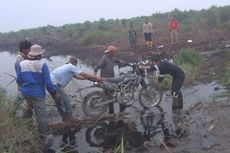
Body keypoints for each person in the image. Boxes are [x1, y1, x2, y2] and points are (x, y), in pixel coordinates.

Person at [16, 44, 58, 138]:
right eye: (41, 54)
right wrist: (54, 92)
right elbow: (48, 82)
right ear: (38, 55)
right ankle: (43, 136)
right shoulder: (42, 64)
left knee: (29, 107)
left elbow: (19, 79)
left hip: (25, 93)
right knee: (41, 116)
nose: (42, 56)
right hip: (38, 94)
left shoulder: (22, 64)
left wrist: (21, 88)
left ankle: (26, 124)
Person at [50, 56, 101, 121]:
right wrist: (96, 77)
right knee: (66, 100)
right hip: (55, 84)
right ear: (74, 62)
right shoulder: (71, 66)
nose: (76, 65)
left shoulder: (67, 67)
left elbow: (78, 77)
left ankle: (64, 117)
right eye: (76, 64)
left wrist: (90, 78)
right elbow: (84, 74)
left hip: (50, 84)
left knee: (59, 101)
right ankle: (70, 117)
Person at [94, 45, 128, 114]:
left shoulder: (111, 58)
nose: (115, 54)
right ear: (111, 52)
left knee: (114, 93)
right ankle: (112, 111)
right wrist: (95, 76)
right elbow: (97, 66)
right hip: (105, 80)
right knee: (109, 95)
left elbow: (118, 61)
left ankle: (118, 109)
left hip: (112, 79)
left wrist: (126, 64)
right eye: (114, 52)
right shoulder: (104, 58)